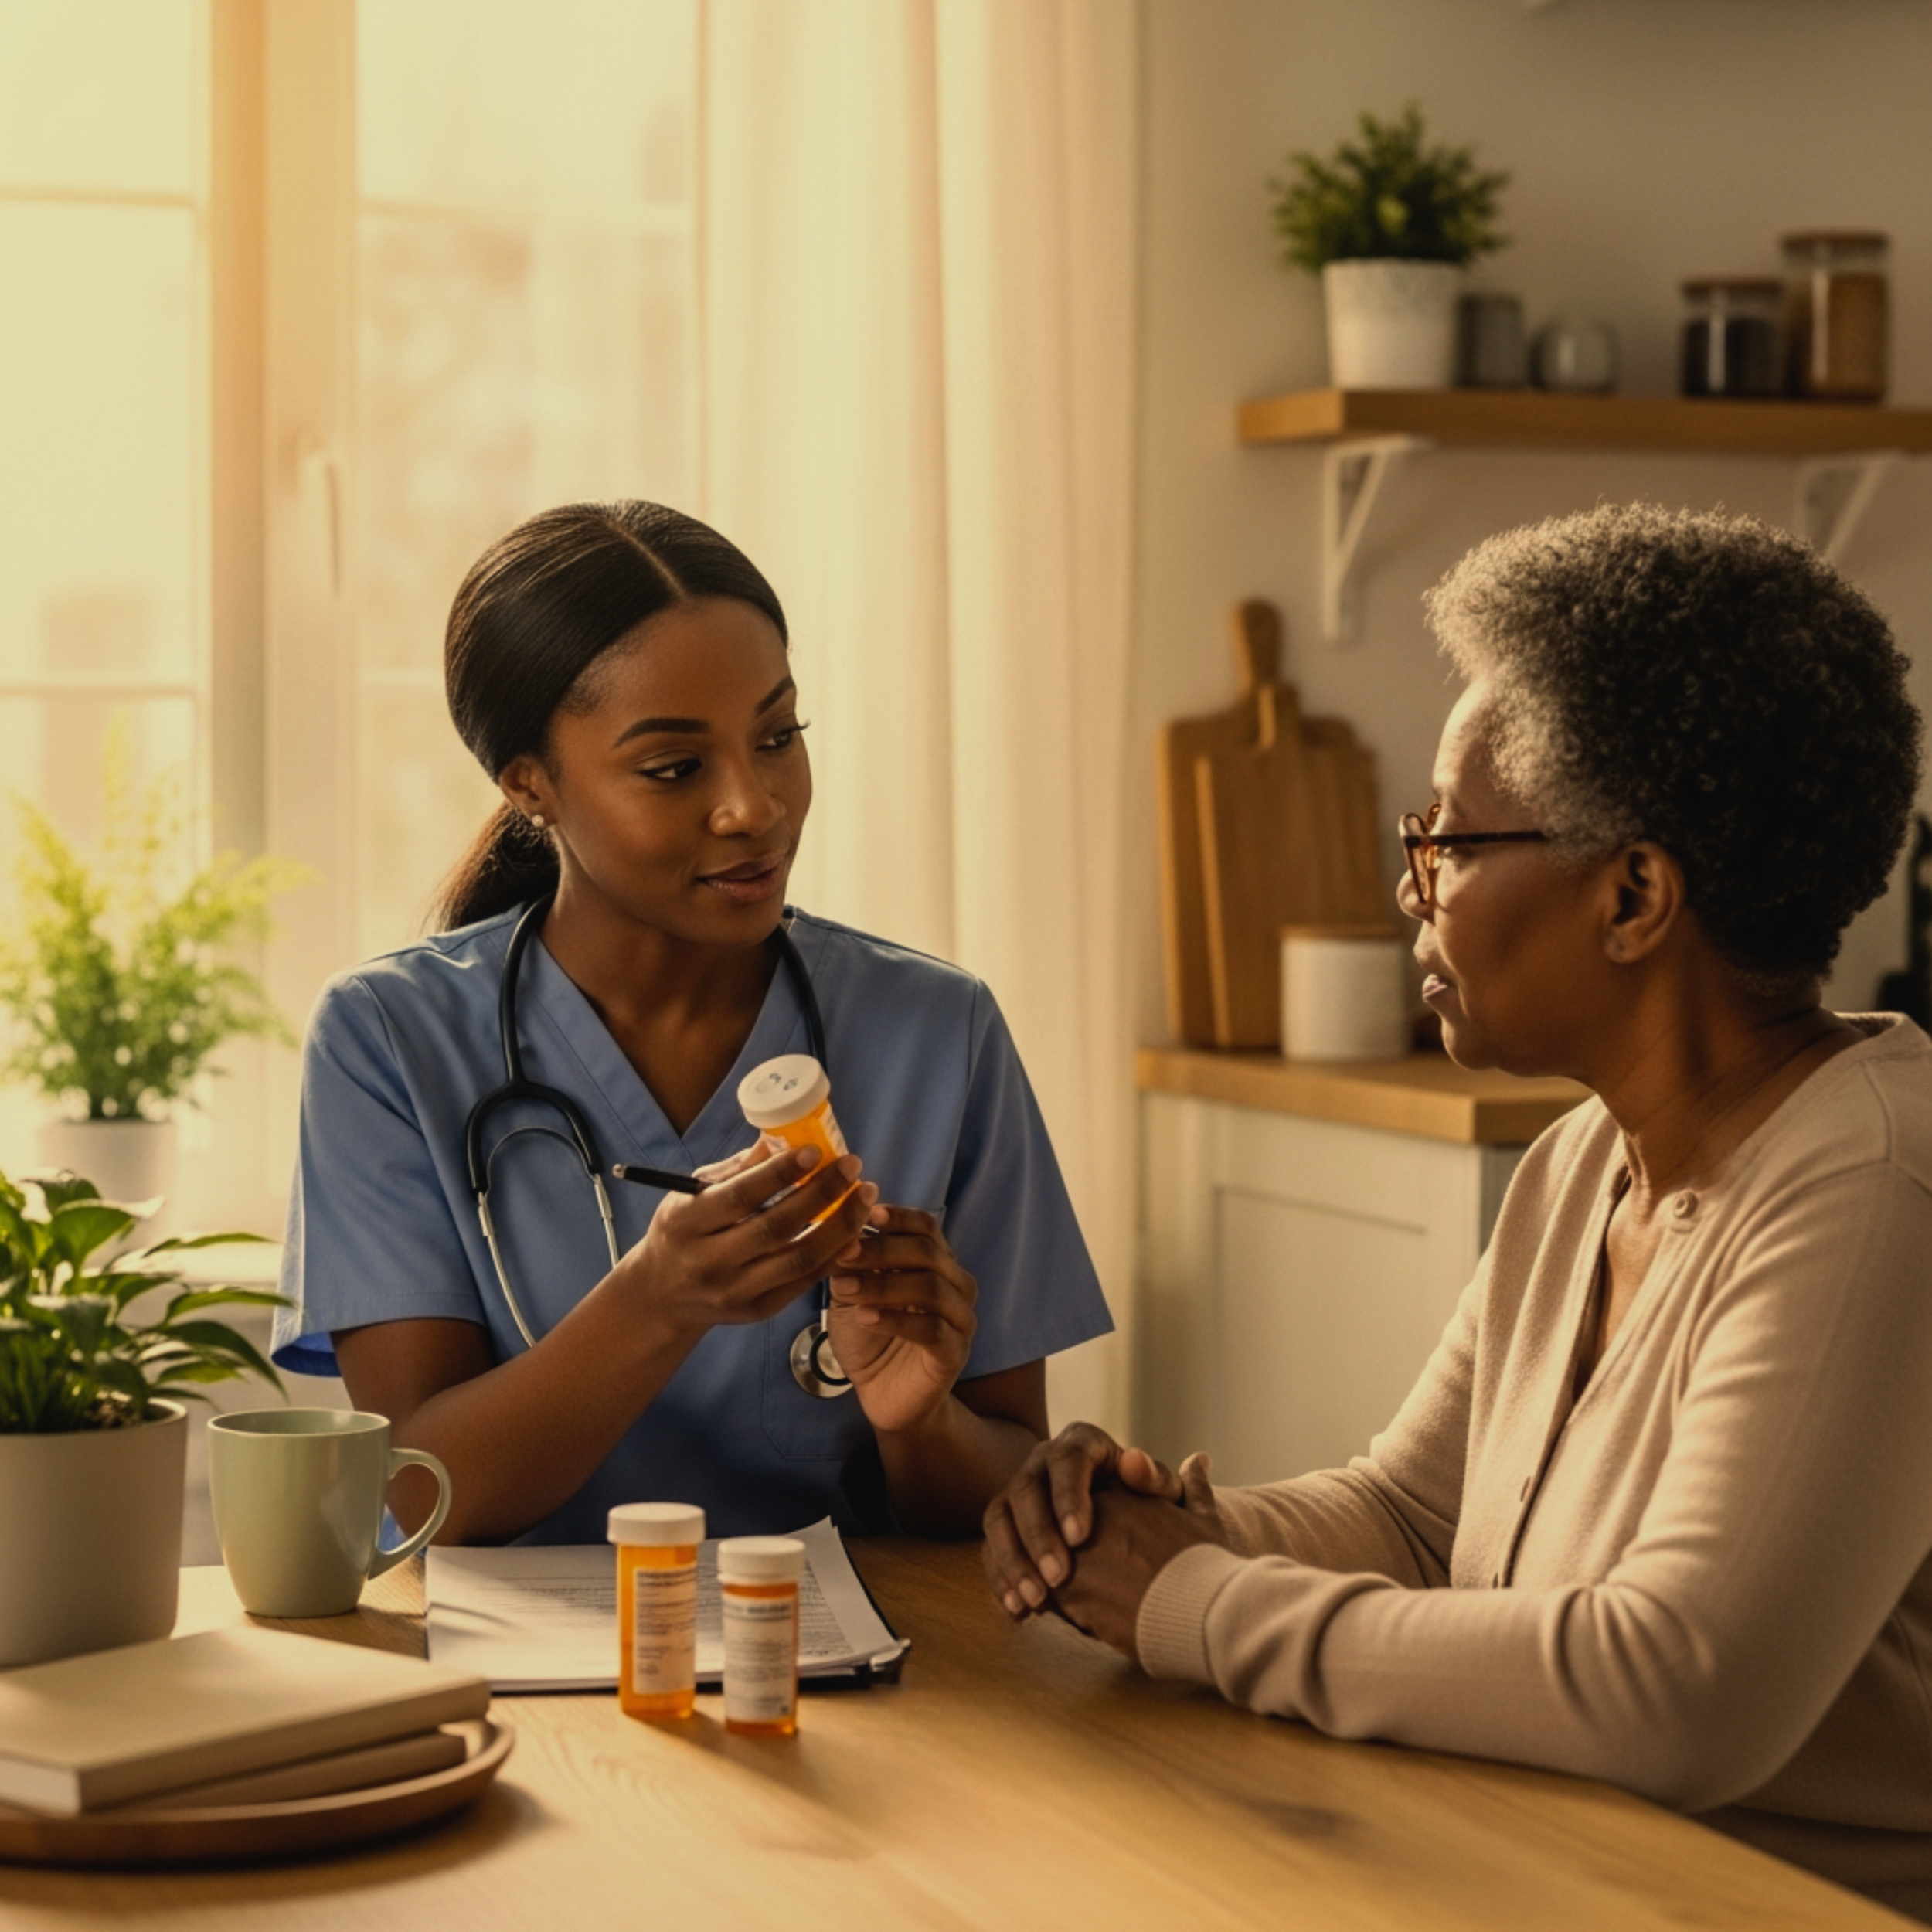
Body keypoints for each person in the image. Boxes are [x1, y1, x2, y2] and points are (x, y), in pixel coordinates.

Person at [983, 503, 1932, 1920]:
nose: (1410, 892)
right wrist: (1160, 1527)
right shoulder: (1580, 1165)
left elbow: (1676, 1691)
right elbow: (1417, 1519)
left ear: (1633, 896)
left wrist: (1195, 1604)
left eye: (1448, 842)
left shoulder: (1877, 1188)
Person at [274, 500, 1111, 1545]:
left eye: (777, 737)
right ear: (531, 785)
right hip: (517, 1690)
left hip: (859, 1677)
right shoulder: (387, 1037)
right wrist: (656, 1304)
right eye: (675, 768)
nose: (752, 805)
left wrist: (918, 1417)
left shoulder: (939, 1032)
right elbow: (415, 1495)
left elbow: (999, 1500)